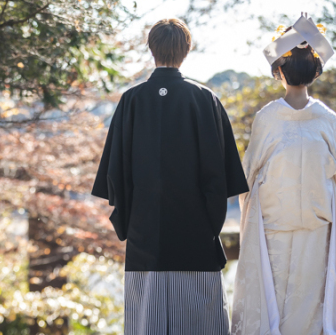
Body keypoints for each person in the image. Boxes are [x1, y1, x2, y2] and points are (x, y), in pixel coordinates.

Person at [92, 18, 249, 335]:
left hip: (145, 234)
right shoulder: (205, 99)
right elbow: (220, 177)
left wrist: (130, 222)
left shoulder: (131, 100)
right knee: (199, 323)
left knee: (146, 323)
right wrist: (210, 224)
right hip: (195, 234)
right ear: (187, 51)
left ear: (151, 49)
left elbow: (116, 175)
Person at [230, 13, 336, 335]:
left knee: (274, 304)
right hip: (316, 224)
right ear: (315, 71)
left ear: (279, 71)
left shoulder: (268, 118)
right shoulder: (327, 119)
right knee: (310, 307)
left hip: (273, 224)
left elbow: (248, 175)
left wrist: (250, 203)